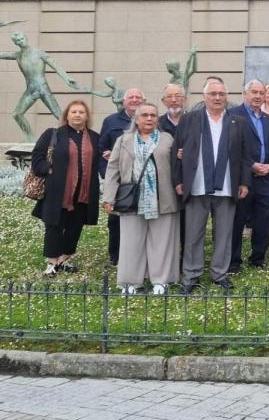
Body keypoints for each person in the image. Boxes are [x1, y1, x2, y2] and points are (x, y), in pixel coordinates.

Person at [172, 78, 251, 293]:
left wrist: (244, 182)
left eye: (221, 94)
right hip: (196, 186)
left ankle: (219, 273)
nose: (217, 97)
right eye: (213, 94)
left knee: (224, 234)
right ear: (204, 97)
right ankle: (191, 275)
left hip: (227, 187)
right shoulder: (189, 120)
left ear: (226, 97)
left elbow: (245, 156)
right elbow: (176, 152)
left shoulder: (238, 121)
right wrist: (179, 181)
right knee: (193, 234)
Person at [102, 102, 179, 294]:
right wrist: (109, 197)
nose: (149, 119)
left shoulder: (167, 139)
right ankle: (129, 282)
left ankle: (160, 281)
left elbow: (177, 165)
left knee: (162, 241)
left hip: (163, 199)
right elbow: (112, 170)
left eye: (153, 115)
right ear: (136, 119)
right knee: (131, 242)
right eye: (144, 115)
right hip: (132, 198)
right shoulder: (124, 140)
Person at [32, 100, 101, 277]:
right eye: (74, 112)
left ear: (87, 116)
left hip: (83, 192)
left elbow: (100, 160)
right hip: (57, 191)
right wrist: (47, 169)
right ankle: (51, 262)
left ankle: (64, 258)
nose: (77, 115)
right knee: (54, 225)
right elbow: (37, 156)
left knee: (75, 226)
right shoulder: (53, 134)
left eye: (81, 112)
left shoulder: (94, 137)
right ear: (67, 116)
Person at [228, 80, 269, 272]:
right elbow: (232, 147)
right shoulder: (233, 115)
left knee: (264, 220)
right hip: (243, 178)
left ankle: (258, 259)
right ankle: (233, 262)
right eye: (254, 92)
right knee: (238, 220)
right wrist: (251, 166)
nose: (258, 96)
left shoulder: (267, 119)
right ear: (245, 94)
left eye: (261, 93)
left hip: (266, 178)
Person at [98, 87, 146, 267]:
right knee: (117, 219)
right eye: (130, 97)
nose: (134, 99)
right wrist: (108, 176)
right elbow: (101, 150)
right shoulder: (111, 121)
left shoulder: (151, 120)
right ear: (124, 101)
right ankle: (116, 255)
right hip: (120, 181)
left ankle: (139, 254)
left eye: (138, 97)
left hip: (143, 180)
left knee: (141, 219)